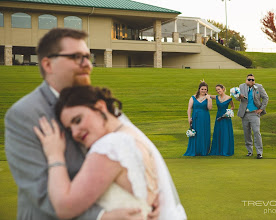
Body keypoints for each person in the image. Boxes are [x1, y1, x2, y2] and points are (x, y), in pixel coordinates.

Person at [4, 28, 159, 219]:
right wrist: (102, 216)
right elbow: (41, 193)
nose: (88, 65)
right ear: (47, 64)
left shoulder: (93, 101)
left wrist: (147, 198)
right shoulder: (24, 114)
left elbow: (127, 154)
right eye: (77, 57)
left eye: (88, 56)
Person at [33, 86, 187, 220]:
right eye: (69, 128)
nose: (74, 133)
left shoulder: (109, 147)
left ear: (100, 107)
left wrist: (54, 154)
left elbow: (64, 208)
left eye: (78, 120)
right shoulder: (132, 135)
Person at [235, 74, 269, 159]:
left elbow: (266, 98)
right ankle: (249, 151)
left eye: (252, 80)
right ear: (246, 80)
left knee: (256, 132)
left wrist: (261, 109)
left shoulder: (259, 87)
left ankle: (259, 152)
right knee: (247, 133)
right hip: (244, 113)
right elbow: (237, 98)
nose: (251, 81)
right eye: (249, 79)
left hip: (254, 113)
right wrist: (239, 96)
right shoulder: (241, 86)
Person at [184, 81, 212, 156]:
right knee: (196, 133)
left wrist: (209, 99)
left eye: (205, 89)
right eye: (202, 89)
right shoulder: (193, 97)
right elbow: (189, 108)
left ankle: (203, 150)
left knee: (204, 132)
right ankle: (195, 150)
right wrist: (189, 118)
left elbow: (209, 108)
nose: (203, 91)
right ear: (199, 89)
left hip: (205, 118)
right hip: (196, 118)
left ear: (207, 90)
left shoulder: (208, 98)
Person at [208, 84, 235, 156]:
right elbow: (208, 95)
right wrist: (204, 84)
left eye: (219, 89)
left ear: (223, 89)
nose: (218, 91)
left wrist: (229, 112)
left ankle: (225, 150)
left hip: (226, 118)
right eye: (216, 90)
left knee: (225, 132)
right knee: (218, 132)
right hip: (218, 117)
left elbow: (233, 106)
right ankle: (218, 150)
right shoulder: (216, 97)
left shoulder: (229, 98)